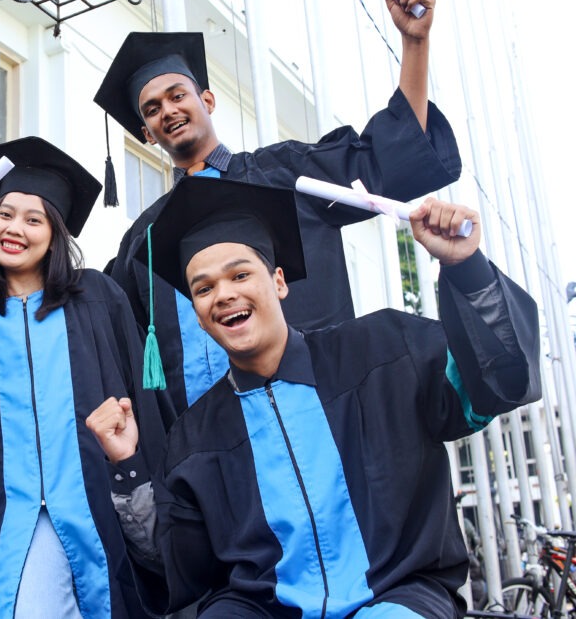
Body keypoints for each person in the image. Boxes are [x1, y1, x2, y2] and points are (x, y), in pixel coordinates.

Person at [85, 177, 541, 617]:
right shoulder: (196, 434)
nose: (223, 295)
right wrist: (126, 466)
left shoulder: (383, 352)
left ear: (278, 281)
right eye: (203, 289)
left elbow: (492, 384)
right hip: (262, 607)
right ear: (200, 319)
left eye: (239, 274)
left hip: (398, 592)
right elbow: (180, 565)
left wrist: (465, 266)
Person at [95, 0, 463, 413]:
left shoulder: (286, 176)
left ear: (208, 101)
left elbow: (385, 158)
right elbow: (109, 331)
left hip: (319, 407)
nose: (168, 111)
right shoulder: (144, 240)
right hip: (210, 444)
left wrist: (414, 44)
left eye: (178, 96)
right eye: (152, 109)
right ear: (146, 134)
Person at [0, 136, 171, 618]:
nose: (15, 228)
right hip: (4, 524)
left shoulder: (98, 299)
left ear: (55, 234)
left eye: (34, 219)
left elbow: (144, 399)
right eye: (5, 214)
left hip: (98, 513)